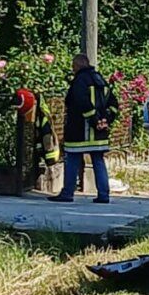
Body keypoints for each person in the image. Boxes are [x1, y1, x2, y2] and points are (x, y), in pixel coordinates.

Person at [49, 54, 115, 204]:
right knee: (98, 160)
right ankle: (104, 195)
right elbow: (113, 103)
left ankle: (67, 193)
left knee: (72, 159)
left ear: (78, 65)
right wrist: (106, 120)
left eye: (73, 66)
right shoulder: (100, 80)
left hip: (79, 131)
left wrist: (94, 119)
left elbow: (80, 101)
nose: (72, 69)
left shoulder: (79, 81)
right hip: (99, 134)